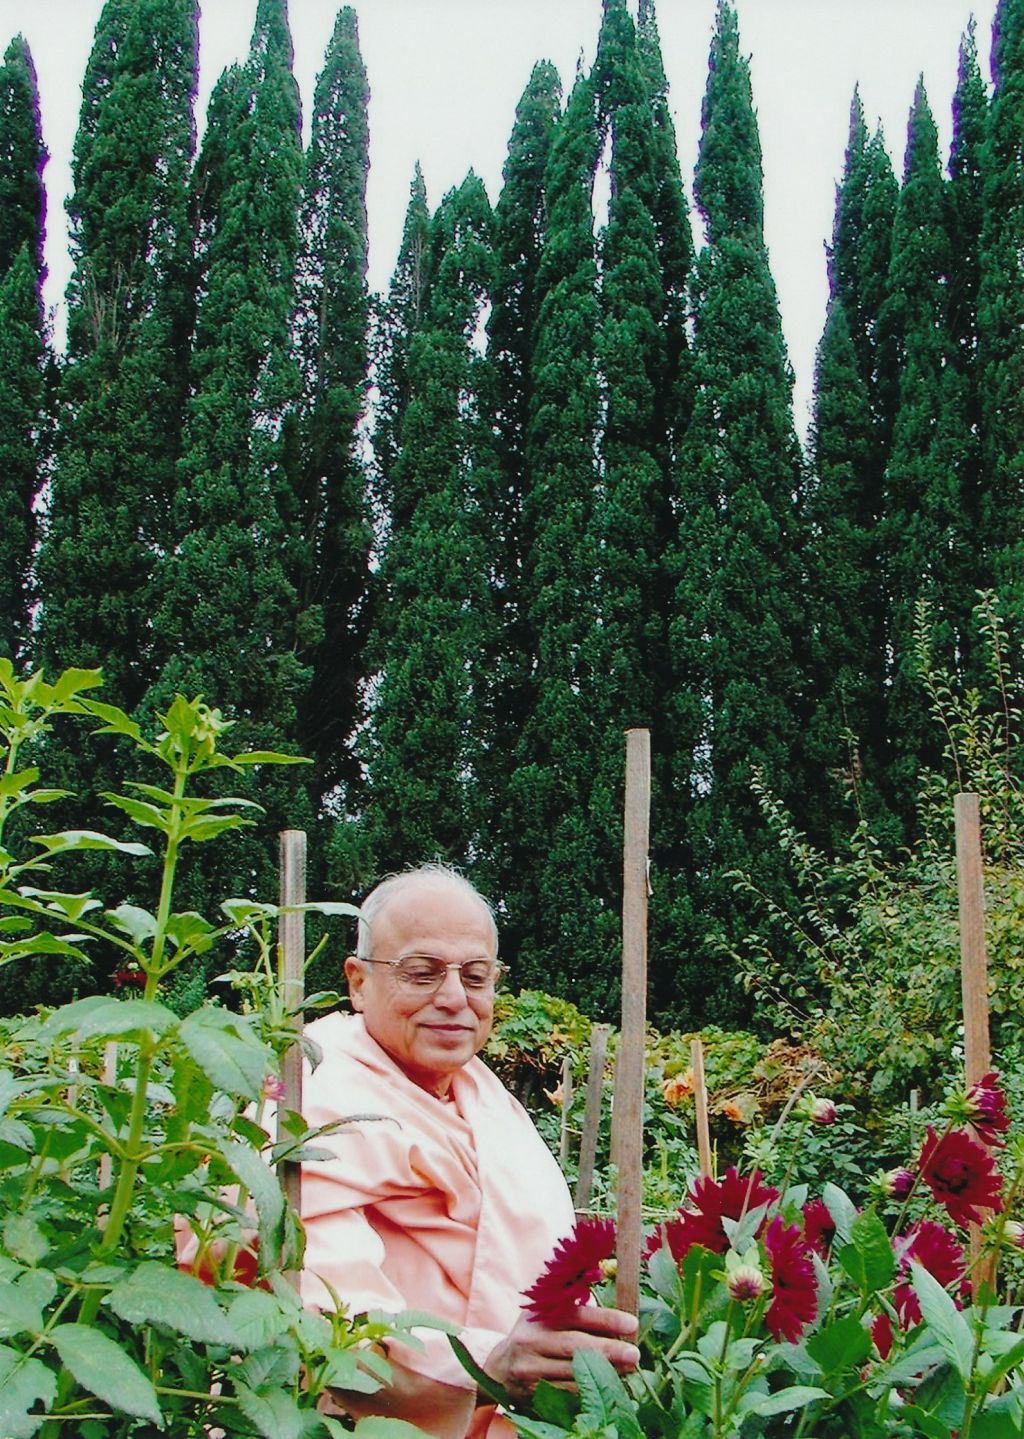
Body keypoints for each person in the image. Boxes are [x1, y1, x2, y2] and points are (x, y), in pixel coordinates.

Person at [299, 864, 639, 1438]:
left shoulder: (481, 1092)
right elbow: (327, 1321)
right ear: (358, 982)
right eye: (422, 973)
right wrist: (487, 1365)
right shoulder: (317, 1095)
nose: (455, 998)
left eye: (476, 977)